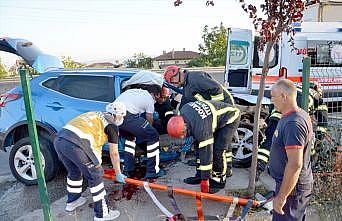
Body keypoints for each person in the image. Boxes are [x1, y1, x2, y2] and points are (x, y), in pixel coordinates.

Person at [53, 102, 127, 221]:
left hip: (60, 140)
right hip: (76, 144)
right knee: (96, 175)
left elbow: (94, 146)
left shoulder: (95, 115)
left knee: (74, 171)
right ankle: (102, 214)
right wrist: (118, 172)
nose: (122, 119)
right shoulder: (111, 126)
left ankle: (73, 201)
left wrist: (96, 164)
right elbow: (114, 153)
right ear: (116, 115)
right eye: (122, 116)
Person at [164, 65, 236, 174]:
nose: (174, 84)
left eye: (172, 81)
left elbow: (217, 89)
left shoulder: (195, 77)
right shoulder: (187, 86)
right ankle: (213, 168)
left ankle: (224, 170)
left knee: (220, 143)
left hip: (223, 107)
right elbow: (185, 102)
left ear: (178, 74)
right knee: (215, 142)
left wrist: (215, 107)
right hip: (210, 113)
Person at [256, 82, 328, 179]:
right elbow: (322, 121)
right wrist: (319, 137)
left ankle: (259, 167)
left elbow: (273, 104)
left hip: (277, 115)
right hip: (294, 119)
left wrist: (270, 120)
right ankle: (305, 169)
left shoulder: (294, 87)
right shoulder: (316, 97)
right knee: (299, 146)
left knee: (270, 140)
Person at [167, 99, 240, 193]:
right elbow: (199, 148)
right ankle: (199, 175)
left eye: (182, 134)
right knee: (198, 147)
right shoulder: (183, 111)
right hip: (210, 119)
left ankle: (219, 180)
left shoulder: (201, 128)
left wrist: (205, 179)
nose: (182, 137)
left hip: (230, 118)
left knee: (218, 150)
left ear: (184, 125)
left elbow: (207, 152)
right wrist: (201, 176)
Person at [269, 79, 314, 220]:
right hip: (290, 187)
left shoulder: (293, 123)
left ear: (284, 96)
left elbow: (295, 164)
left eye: (273, 96)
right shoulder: (291, 116)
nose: (271, 100)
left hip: (292, 190)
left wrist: (282, 196)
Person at [114, 86, 165, 179]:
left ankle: (128, 169)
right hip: (127, 115)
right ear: (156, 94)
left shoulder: (136, 92)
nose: (159, 99)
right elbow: (149, 119)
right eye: (161, 96)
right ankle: (153, 171)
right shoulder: (149, 98)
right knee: (153, 135)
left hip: (115, 116)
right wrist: (148, 132)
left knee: (130, 139)